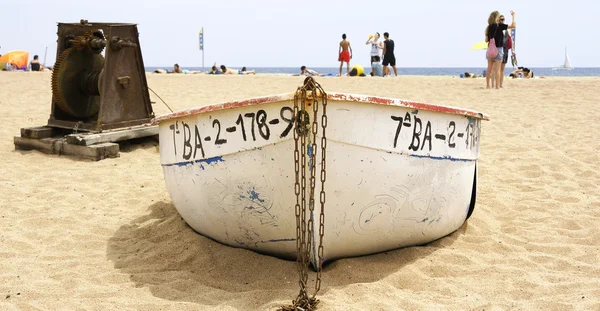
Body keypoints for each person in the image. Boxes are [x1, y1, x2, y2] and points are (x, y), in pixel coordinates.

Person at [485, 10, 516, 89]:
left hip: (490, 50)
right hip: (498, 49)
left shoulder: (488, 27)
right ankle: (497, 87)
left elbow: (486, 40)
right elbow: (513, 26)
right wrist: (513, 16)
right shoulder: (499, 26)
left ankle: (488, 86)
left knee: (489, 69)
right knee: (497, 70)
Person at [498, 15, 511, 88]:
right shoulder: (497, 27)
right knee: (497, 68)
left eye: (503, 19)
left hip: (505, 50)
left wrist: (512, 49)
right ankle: (495, 84)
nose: (502, 21)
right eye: (501, 19)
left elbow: (510, 40)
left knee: (502, 69)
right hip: (499, 49)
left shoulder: (507, 29)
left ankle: (501, 84)